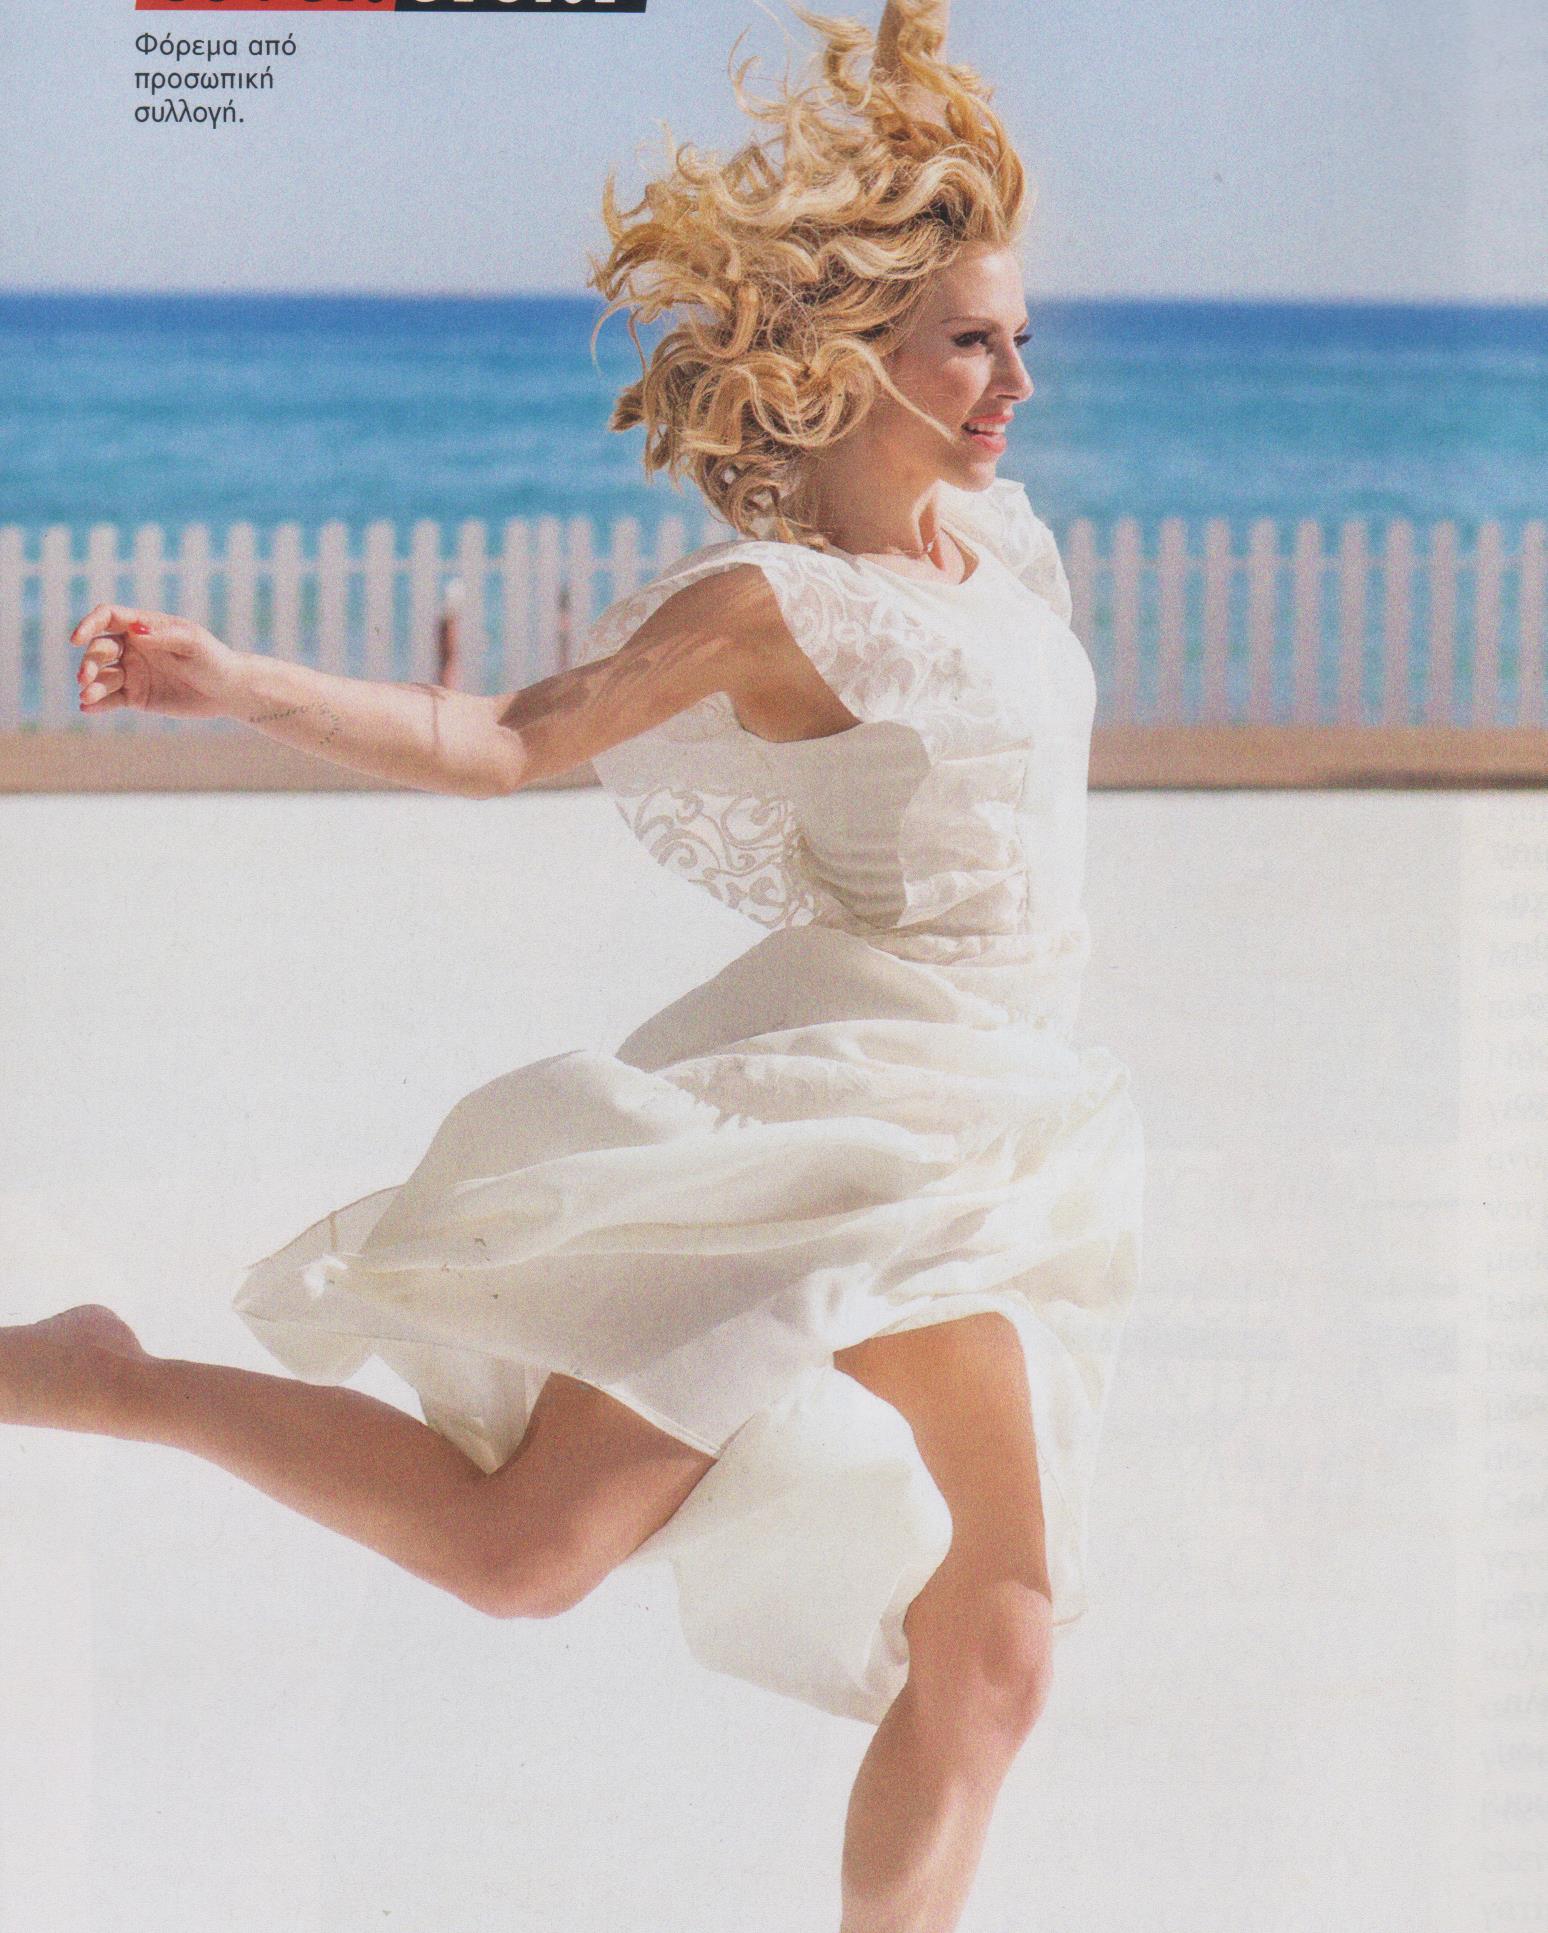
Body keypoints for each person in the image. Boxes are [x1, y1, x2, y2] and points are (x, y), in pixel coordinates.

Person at [8, 3, 1144, 1928]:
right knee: (522, 1555)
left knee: (1002, 1634)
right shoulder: (779, 608)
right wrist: (233, 680)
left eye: (1019, 338)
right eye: (973, 342)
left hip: (1006, 1138)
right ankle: (117, 1383)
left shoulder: (1003, 544)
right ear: (851, 356)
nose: (1017, 379)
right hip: (842, 1134)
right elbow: (508, 737)